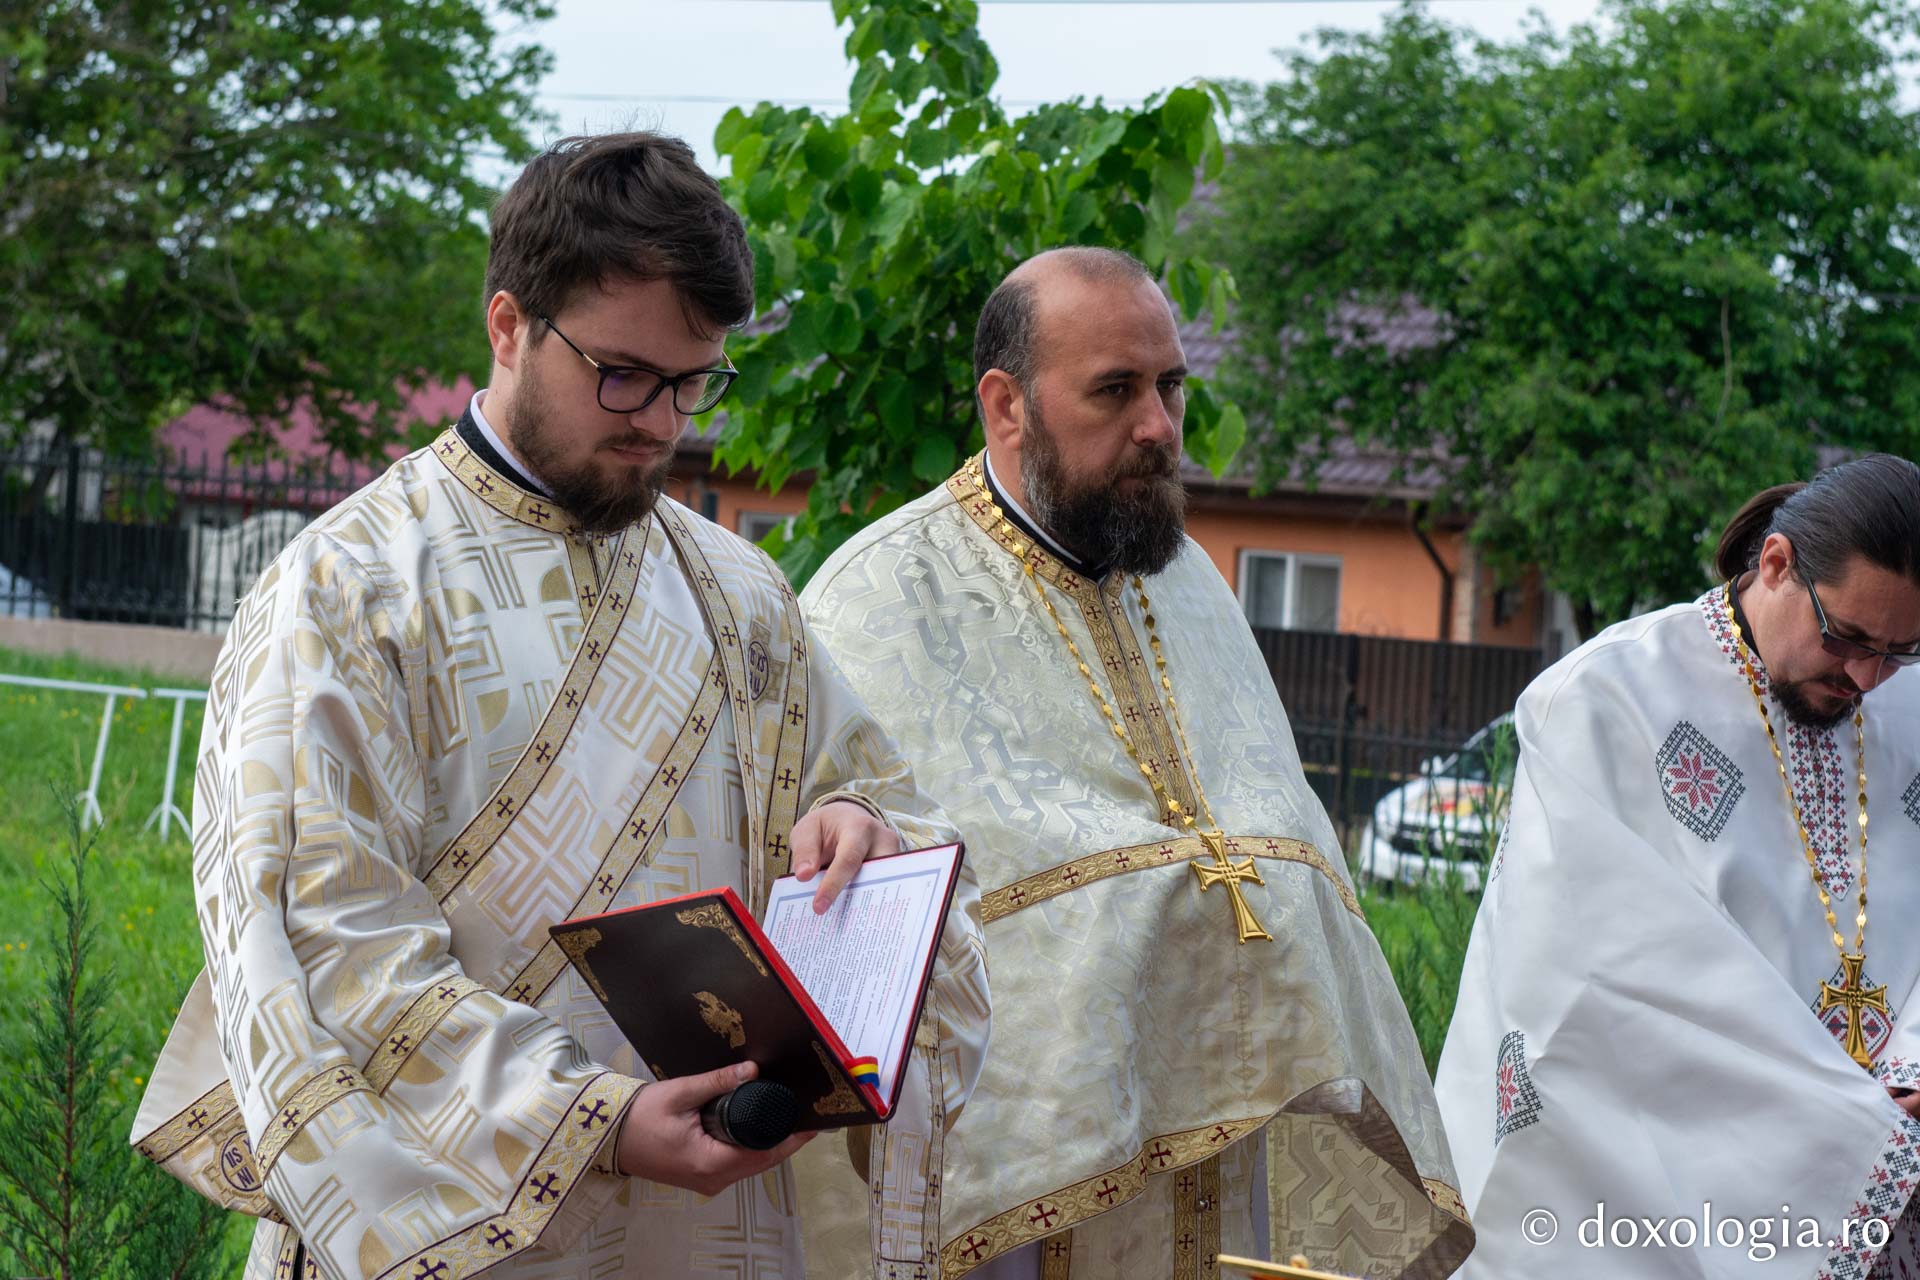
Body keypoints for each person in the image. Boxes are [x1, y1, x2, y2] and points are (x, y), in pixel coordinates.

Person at [130, 131, 989, 1280]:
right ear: (508, 325)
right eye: (622, 373)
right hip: (460, 1226)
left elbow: (883, 810)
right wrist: (591, 1121)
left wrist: (858, 831)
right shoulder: (348, 589)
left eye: (693, 380)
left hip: (712, 1236)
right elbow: (321, 942)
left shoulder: (740, 592)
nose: (662, 421)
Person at [796, 247, 1471, 1279]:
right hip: (1022, 1184)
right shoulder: (875, 599)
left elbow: (1268, 824)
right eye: (1116, 390)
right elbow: (861, 905)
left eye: (1171, 387)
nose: (1159, 424)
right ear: (1007, 406)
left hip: (1233, 1135)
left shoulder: (1193, 582)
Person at [1434, 454, 1920, 1278]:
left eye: (1902, 650)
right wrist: (1828, 1114)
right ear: (1776, 564)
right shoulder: (1605, 700)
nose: (1867, 678)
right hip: (1670, 1177)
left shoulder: (1906, 701)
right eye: (1846, 638)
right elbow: (1597, 976)